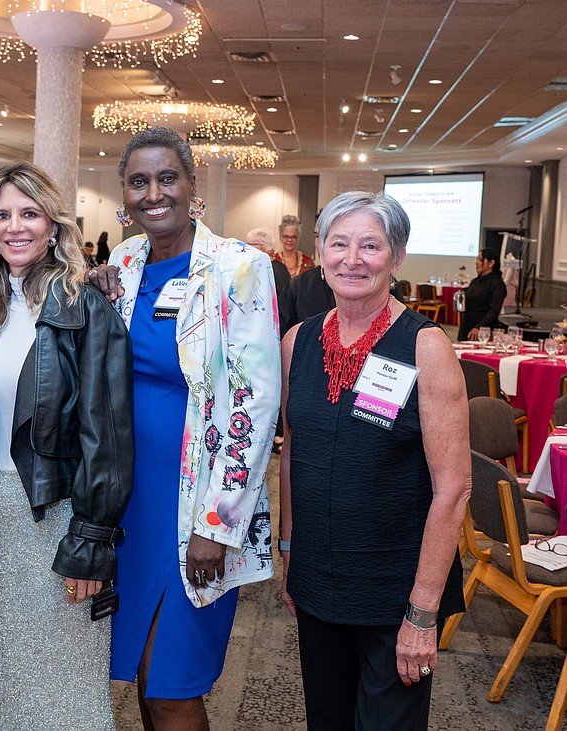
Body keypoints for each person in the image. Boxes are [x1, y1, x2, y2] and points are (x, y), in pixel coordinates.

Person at [88, 127, 280, 731]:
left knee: (174, 685)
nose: (154, 194)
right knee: (143, 677)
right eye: (139, 181)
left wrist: (217, 524)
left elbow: (252, 406)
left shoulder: (238, 267)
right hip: (126, 504)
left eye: (167, 178)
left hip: (193, 504)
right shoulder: (121, 262)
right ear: (123, 192)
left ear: (192, 185)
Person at [279, 191, 468, 730]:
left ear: (396, 257)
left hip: (395, 592)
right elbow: (294, 453)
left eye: (370, 245)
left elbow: (453, 489)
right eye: (339, 244)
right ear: (320, 251)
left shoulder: (426, 347)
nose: (353, 259)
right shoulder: (299, 341)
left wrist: (423, 611)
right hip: (319, 578)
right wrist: (291, 550)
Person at [0, 162, 134, 730]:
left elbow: (106, 437)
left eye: (30, 214)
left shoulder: (86, 308)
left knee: (63, 687)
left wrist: (90, 542)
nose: (16, 227)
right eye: (3, 215)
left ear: (54, 226)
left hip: (57, 518)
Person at [460, 248, 507, 340]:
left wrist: (479, 327)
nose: (476, 262)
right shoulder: (475, 281)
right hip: (466, 327)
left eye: (480, 260)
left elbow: (494, 310)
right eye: (477, 259)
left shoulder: (497, 284)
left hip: (483, 331)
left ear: (491, 263)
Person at [245, 226, 291, 294]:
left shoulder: (260, 268)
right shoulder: (281, 267)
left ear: (262, 247)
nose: (245, 248)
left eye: (249, 244)